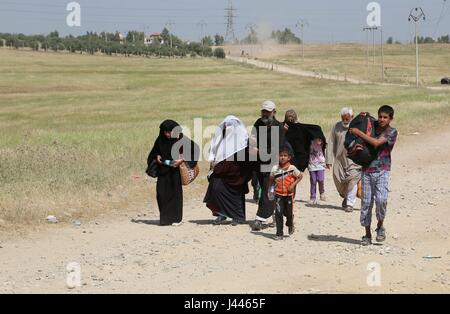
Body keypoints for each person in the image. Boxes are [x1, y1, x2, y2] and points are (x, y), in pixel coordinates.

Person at [349, 105, 398, 246]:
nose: (382, 119)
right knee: (366, 203)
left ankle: (380, 226)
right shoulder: (371, 127)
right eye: (380, 116)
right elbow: (363, 122)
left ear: (390, 119)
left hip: (383, 169)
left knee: (381, 200)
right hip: (366, 170)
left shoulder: (392, 132)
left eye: (385, 117)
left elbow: (376, 143)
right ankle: (367, 234)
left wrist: (358, 132)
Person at [204, 116, 255, 225]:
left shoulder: (243, 140)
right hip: (221, 172)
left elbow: (246, 159)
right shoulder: (220, 139)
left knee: (236, 195)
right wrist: (213, 164)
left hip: (237, 175)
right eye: (226, 127)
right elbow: (214, 153)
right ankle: (221, 214)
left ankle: (238, 217)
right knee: (215, 189)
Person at [147, 120, 198, 226]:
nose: (167, 134)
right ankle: (165, 219)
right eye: (165, 132)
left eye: (170, 132)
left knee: (175, 195)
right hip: (163, 171)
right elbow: (155, 152)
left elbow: (194, 150)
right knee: (161, 194)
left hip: (175, 172)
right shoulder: (160, 139)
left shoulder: (181, 139)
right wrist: (157, 156)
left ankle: (176, 219)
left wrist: (182, 159)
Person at [251, 100, 286, 231]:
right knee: (263, 191)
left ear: (274, 112)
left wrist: (261, 151)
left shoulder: (279, 127)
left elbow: (279, 149)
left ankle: (260, 219)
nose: (265, 114)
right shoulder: (258, 123)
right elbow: (252, 140)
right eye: (263, 111)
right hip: (257, 164)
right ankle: (275, 215)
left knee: (268, 191)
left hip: (272, 164)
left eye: (268, 111)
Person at [326, 107, 362, 212]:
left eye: (347, 119)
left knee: (352, 180)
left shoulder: (358, 127)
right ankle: (345, 196)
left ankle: (350, 204)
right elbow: (331, 142)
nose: (345, 121)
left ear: (352, 116)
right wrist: (328, 159)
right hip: (339, 159)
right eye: (343, 119)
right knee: (338, 181)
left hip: (354, 160)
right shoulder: (337, 126)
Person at [268, 146, 303, 240]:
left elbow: (300, 176)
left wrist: (293, 185)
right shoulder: (275, 168)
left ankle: (290, 224)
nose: (282, 157)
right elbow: (271, 179)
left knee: (289, 214)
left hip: (289, 195)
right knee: (278, 213)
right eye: (280, 155)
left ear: (289, 157)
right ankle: (279, 234)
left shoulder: (292, 168)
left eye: (285, 155)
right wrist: (270, 190)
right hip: (278, 194)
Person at [308, 136, 328, 204]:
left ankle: (322, 192)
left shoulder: (321, 141)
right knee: (313, 181)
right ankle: (313, 197)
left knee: (321, 180)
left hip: (320, 164)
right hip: (312, 164)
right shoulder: (309, 141)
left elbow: (325, 146)